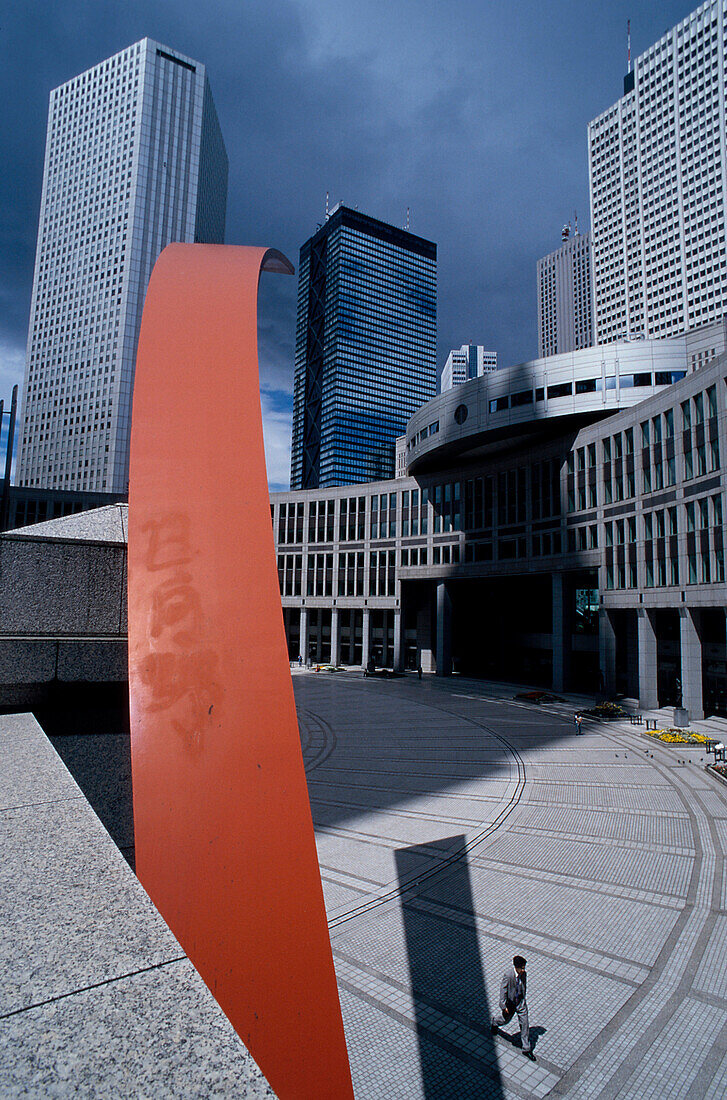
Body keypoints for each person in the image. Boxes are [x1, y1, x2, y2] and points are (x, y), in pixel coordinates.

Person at [491, 955, 534, 1061]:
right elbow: (503, 990)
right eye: (522, 968)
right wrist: (503, 1005)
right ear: (516, 967)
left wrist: (522, 999)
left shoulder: (524, 974)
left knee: (524, 1023)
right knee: (505, 1020)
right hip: (510, 1004)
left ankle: (526, 1049)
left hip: (520, 1003)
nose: (523, 970)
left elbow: (523, 986)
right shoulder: (508, 975)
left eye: (524, 968)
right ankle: (494, 1022)